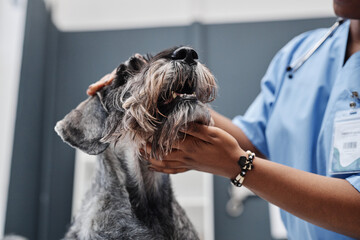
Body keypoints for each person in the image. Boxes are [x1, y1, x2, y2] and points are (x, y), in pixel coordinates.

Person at [87, 1, 360, 238]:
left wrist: (239, 166)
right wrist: (160, 91)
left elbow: (243, 155)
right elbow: (255, 142)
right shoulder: (300, 55)